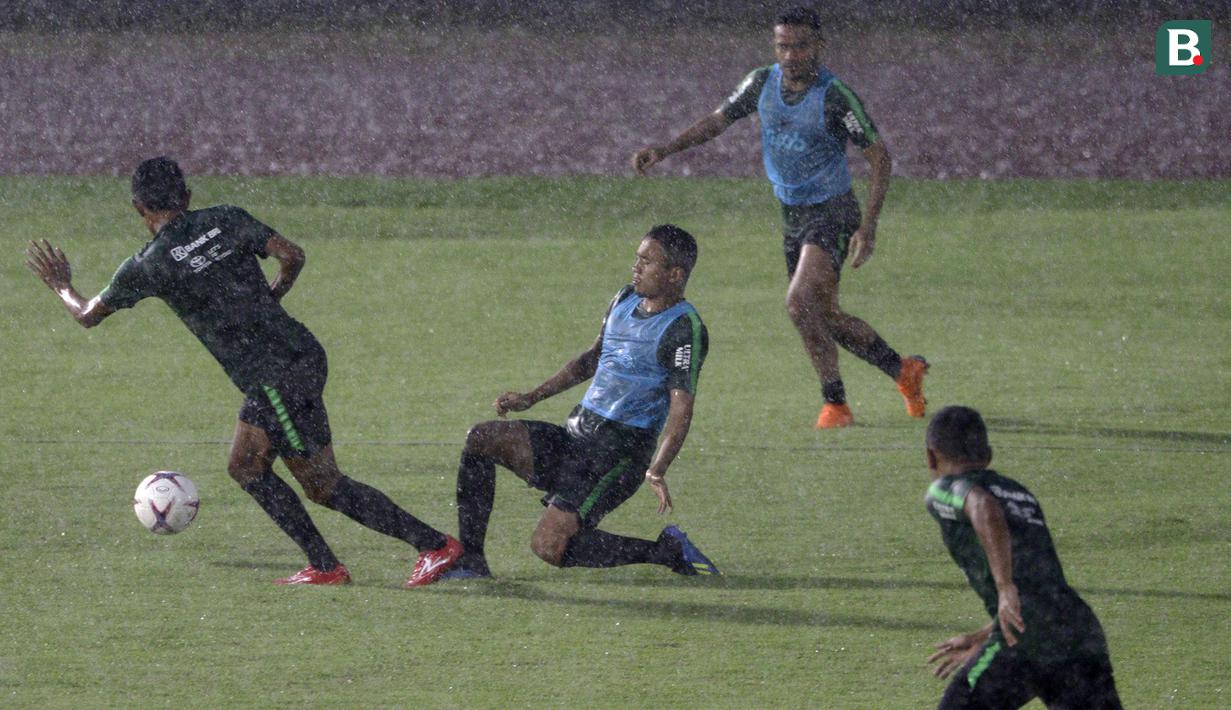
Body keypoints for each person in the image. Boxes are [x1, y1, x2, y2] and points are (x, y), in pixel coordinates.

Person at [25, 156, 463, 587]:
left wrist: (61, 285)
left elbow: (86, 314)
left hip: (275, 377)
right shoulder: (225, 218)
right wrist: (271, 300)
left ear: (139, 208)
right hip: (301, 352)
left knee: (323, 484)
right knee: (245, 467)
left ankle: (433, 546)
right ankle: (325, 566)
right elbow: (292, 256)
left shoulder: (148, 264)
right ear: (188, 195)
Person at [632, 6, 927, 429]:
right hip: (792, 215)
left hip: (833, 212)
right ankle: (902, 370)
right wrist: (665, 149)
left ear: (819, 46)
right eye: (782, 46)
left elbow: (879, 156)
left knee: (797, 302)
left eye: (800, 45)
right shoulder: (760, 82)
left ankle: (836, 404)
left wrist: (870, 224)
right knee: (821, 315)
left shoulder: (834, 96)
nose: (790, 55)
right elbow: (718, 120)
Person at [421, 224, 719, 584]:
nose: (636, 268)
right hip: (575, 439)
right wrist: (532, 397)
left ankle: (666, 552)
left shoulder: (684, 328)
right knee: (482, 438)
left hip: (616, 454)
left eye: (647, 262)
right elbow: (590, 360)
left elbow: (681, 407)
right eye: (636, 259)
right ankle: (472, 561)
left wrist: (658, 468)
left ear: (675, 274)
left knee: (548, 546)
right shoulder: (624, 299)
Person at [923, 406, 1122, 709]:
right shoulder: (1020, 494)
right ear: (988, 455)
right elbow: (1041, 592)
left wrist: (1004, 587)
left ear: (932, 457)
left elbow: (982, 506)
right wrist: (984, 635)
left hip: (1026, 643)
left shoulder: (944, 490)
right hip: (1078, 631)